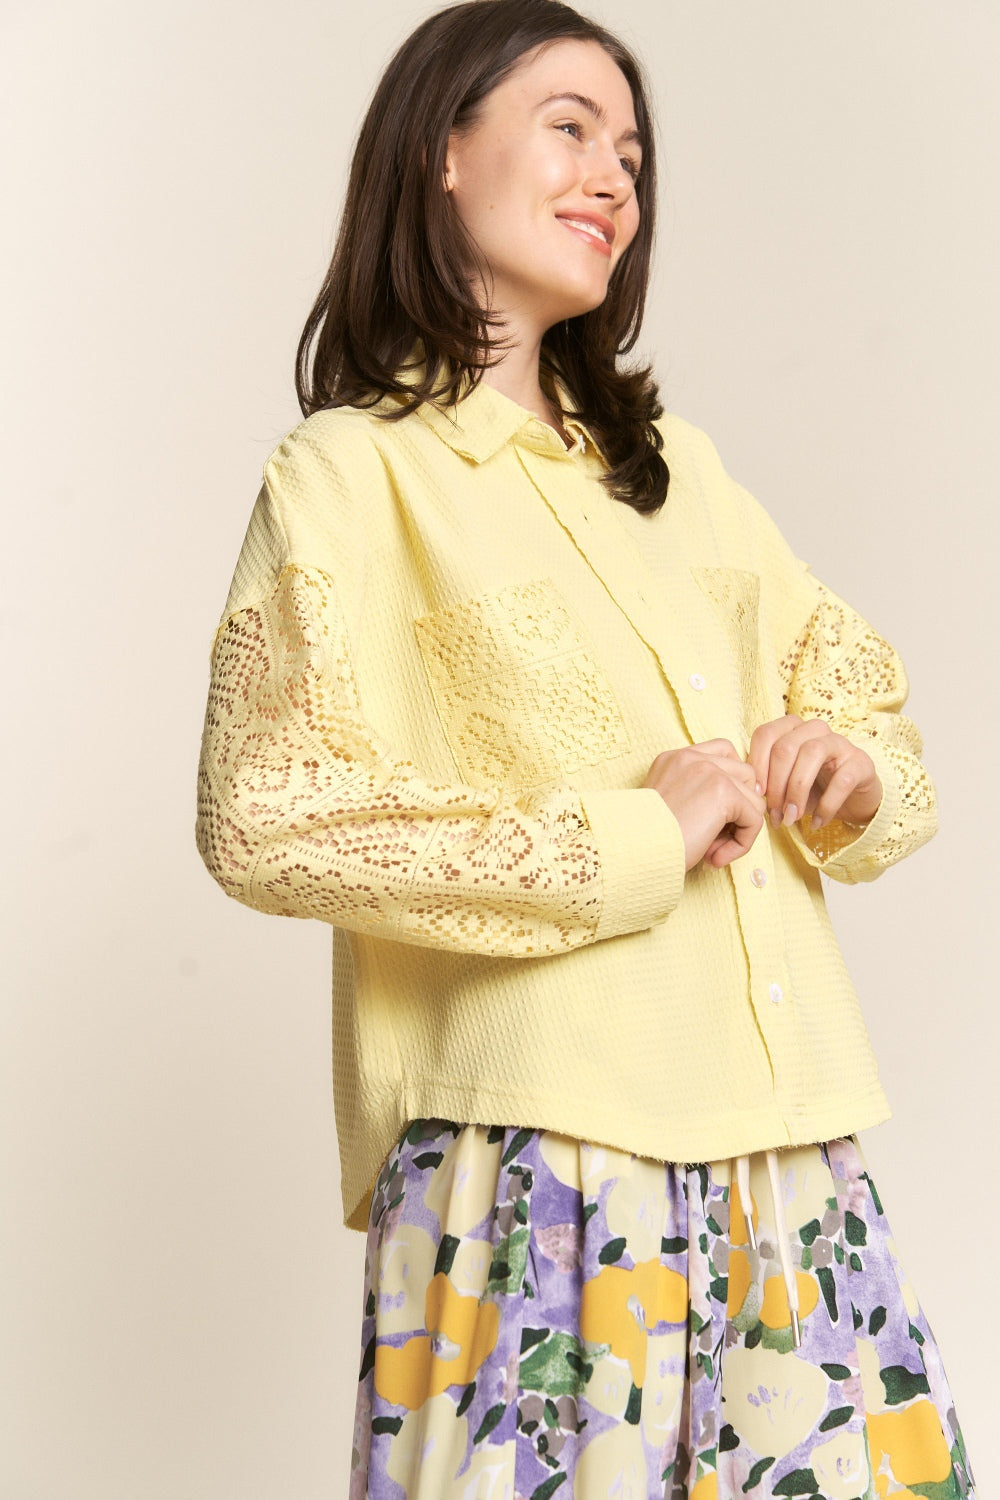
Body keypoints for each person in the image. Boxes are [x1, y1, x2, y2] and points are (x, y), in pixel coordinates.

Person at [195, 1, 976, 1494]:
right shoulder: (352, 477)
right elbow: (265, 816)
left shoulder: (680, 477)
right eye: (570, 127)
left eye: (631, 152)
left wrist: (846, 767)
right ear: (440, 150)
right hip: (541, 1171)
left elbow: (864, 702)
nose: (614, 175)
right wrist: (633, 838)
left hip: (789, 1160)